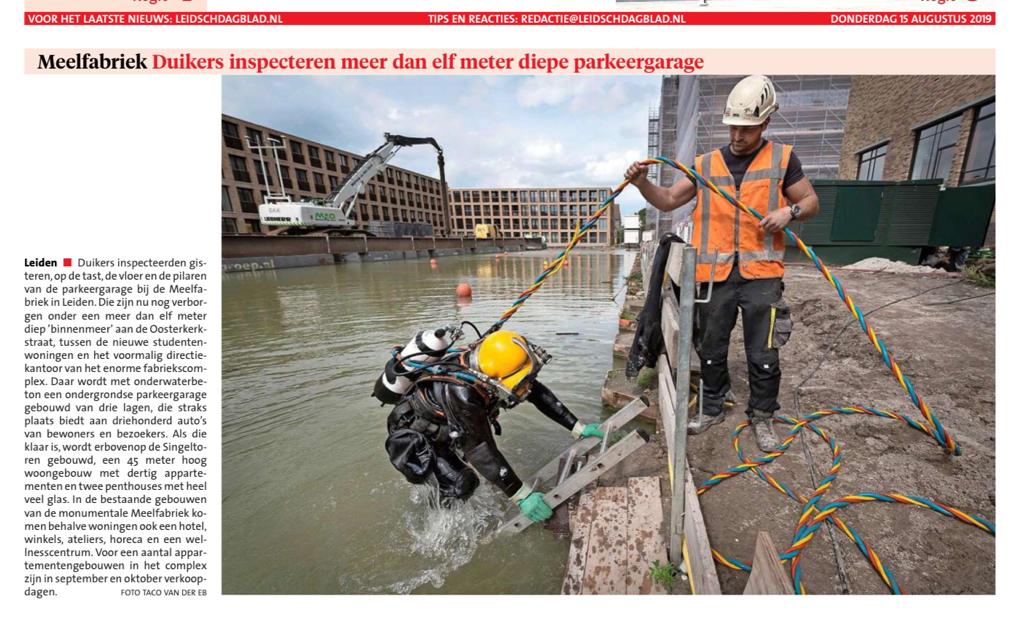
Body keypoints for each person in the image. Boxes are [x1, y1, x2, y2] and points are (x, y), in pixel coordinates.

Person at [624, 75, 819, 452]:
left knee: (763, 352)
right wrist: (641, 184)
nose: (737, 136)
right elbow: (666, 200)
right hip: (714, 275)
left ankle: (762, 417)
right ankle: (713, 406)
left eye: (746, 129)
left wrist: (788, 211)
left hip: (762, 275)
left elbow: (810, 201)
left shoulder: (782, 158)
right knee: (711, 347)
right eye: (732, 127)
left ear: (765, 122)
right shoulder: (706, 164)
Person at [378, 329, 604, 522]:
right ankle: (439, 522)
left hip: (449, 425)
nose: (525, 389)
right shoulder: (462, 394)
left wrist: (576, 427)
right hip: (419, 435)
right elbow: (479, 449)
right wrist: (521, 495)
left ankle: (448, 488)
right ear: (496, 380)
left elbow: (537, 393)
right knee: (464, 483)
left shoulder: (491, 368)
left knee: (470, 466)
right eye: (520, 385)